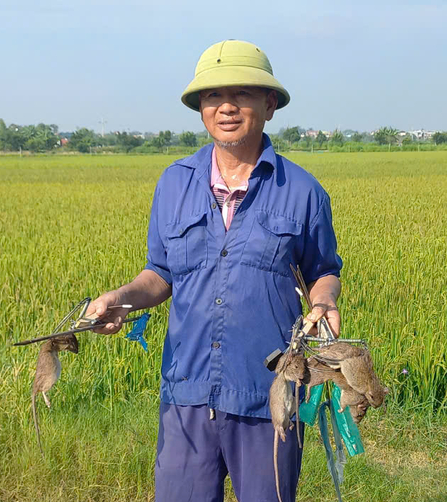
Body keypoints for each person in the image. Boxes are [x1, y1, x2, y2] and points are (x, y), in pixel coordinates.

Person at [87, 39, 342, 502]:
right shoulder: (173, 184)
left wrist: (324, 302)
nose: (226, 107)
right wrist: (119, 300)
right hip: (186, 391)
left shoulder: (304, 192)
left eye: (242, 94)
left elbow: (323, 270)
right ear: (200, 108)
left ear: (268, 105)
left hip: (270, 394)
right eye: (212, 96)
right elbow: (160, 273)